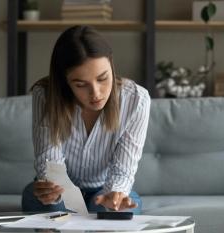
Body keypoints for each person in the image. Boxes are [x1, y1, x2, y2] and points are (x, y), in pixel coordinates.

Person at [22, 25, 151, 214]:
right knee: (47, 205)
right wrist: (52, 191)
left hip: (104, 187)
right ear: (65, 81)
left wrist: (115, 195)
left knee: (117, 211)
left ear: (111, 65)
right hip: (61, 189)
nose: (96, 93)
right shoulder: (46, 95)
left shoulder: (137, 100)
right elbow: (50, 164)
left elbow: (122, 171)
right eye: (81, 84)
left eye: (103, 78)